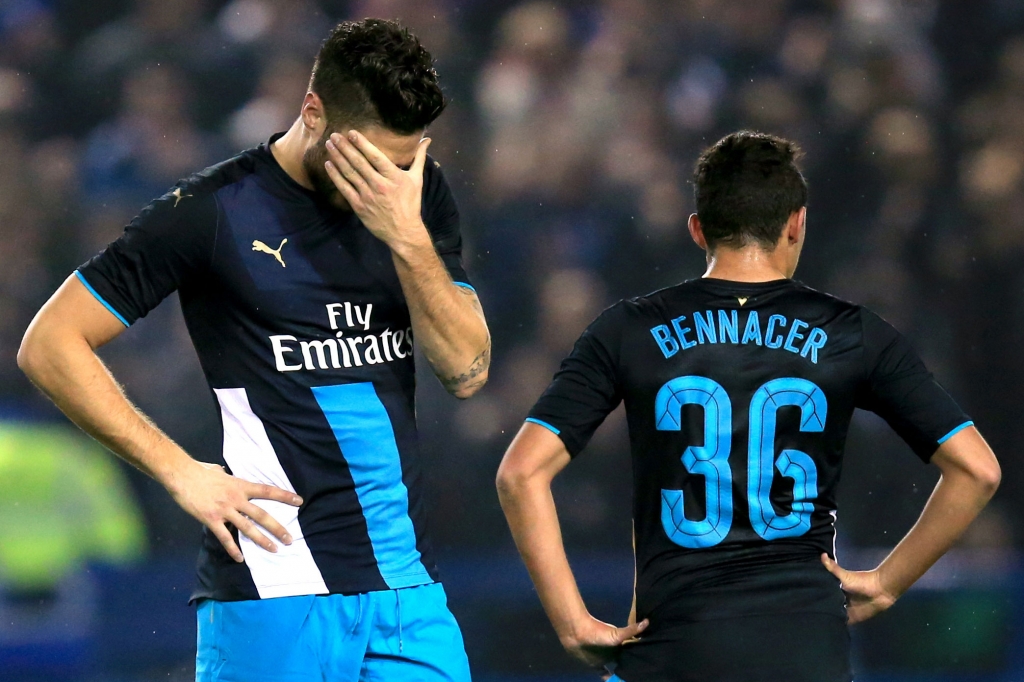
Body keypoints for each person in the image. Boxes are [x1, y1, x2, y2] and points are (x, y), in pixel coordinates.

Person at [18, 18, 489, 682]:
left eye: (406, 159)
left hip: (408, 595)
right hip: (273, 593)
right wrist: (182, 471)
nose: (390, 178)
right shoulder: (212, 211)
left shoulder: (415, 196)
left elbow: (468, 372)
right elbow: (50, 344)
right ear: (314, 112)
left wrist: (407, 238)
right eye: (372, 160)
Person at [495, 131, 1000, 682]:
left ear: (697, 229)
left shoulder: (628, 330)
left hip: (675, 649)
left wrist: (572, 622)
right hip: (806, 650)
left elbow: (520, 474)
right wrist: (886, 583)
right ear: (796, 223)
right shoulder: (852, 334)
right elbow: (977, 471)